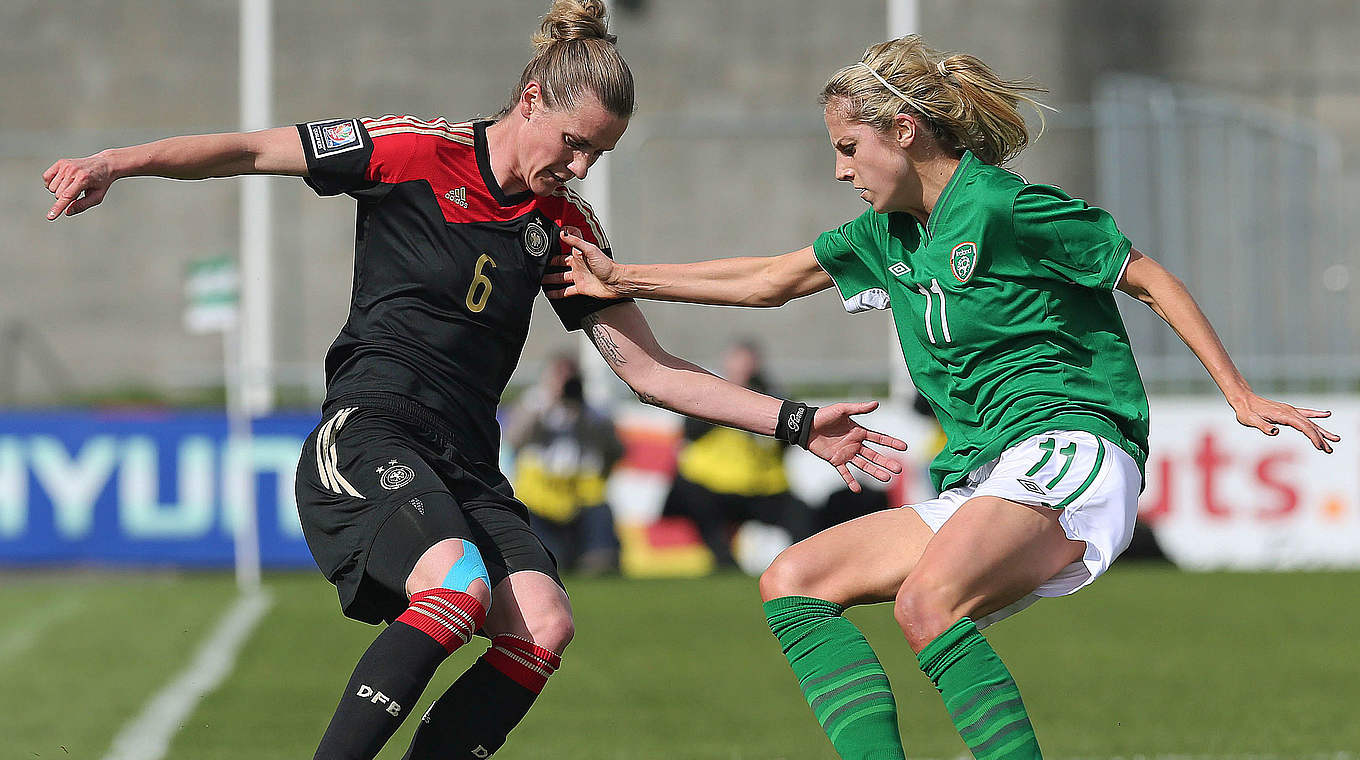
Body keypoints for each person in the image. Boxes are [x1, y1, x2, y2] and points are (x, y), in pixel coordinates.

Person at [40, 3, 906, 758]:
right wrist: (118, 160)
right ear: (531, 100)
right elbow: (252, 148)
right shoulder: (412, 149)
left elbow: (649, 371)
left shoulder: (564, 228)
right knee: (455, 580)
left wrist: (794, 421)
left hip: (467, 458)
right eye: (574, 144)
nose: (579, 168)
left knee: (543, 623)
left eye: (597, 155)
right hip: (371, 428)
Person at [546, 34, 1340, 760]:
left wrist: (1236, 393)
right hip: (988, 471)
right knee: (793, 581)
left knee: (929, 605)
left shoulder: (1005, 207)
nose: (840, 170)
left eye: (849, 148)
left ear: (904, 130)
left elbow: (1148, 276)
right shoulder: (884, 234)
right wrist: (623, 277)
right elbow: (770, 281)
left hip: (1074, 444)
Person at [662, 340, 813, 569]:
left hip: (762, 486)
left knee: (800, 513)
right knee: (692, 499)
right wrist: (731, 400)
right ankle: (724, 561)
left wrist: (755, 398)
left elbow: (790, 440)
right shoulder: (706, 391)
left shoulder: (773, 396)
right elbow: (690, 432)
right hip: (713, 484)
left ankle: (804, 566)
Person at [505, 353, 623, 574]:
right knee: (549, 564)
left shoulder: (594, 412)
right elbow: (514, 440)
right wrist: (548, 404)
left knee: (600, 563)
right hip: (539, 502)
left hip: (584, 501)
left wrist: (586, 415)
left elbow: (616, 450)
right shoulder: (533, 404)